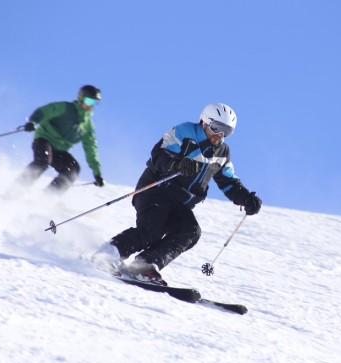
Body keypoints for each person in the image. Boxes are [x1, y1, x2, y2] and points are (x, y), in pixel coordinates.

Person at [107, 103, 262, 285]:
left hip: (180, 203)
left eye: (226, 132)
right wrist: (178, 163)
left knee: (190, 231)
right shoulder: (185, 132)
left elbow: (228, 181)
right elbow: (159, 155)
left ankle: (145, 265)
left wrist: (246, 198)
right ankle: (108, 253)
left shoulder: (222, 152)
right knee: (151, 232)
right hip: (155, 190)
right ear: (205, 122)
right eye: (216, 128)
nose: (219, 135)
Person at [15, 85, 104, 194]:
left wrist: (97, 173)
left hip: (59, 150)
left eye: (95, 103)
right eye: (89, 101)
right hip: (44, 140)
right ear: (81, 98)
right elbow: (45, 111)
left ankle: (48, 197)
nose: (91, 105)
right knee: (43, 161)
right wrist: (33, 122)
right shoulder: (66, 108)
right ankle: (16, 189)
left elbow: (91, 148)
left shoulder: (87, 126)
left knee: (73, 170)